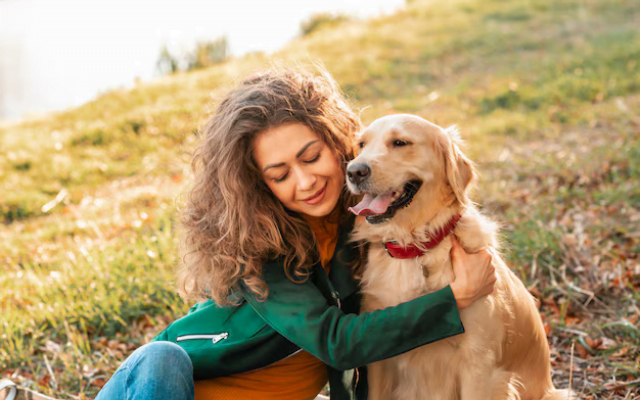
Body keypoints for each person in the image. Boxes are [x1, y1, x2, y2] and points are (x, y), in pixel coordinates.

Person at [95, 65, 496, 400]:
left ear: (339, 141)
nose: (305, 182)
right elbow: (338, 343)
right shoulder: (262, 250)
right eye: (280, 174)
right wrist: (455, 299)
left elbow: (435, 204)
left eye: (311, 156)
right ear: (258, 185)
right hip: (159, 385)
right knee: (161, 357)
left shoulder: (363, 225)